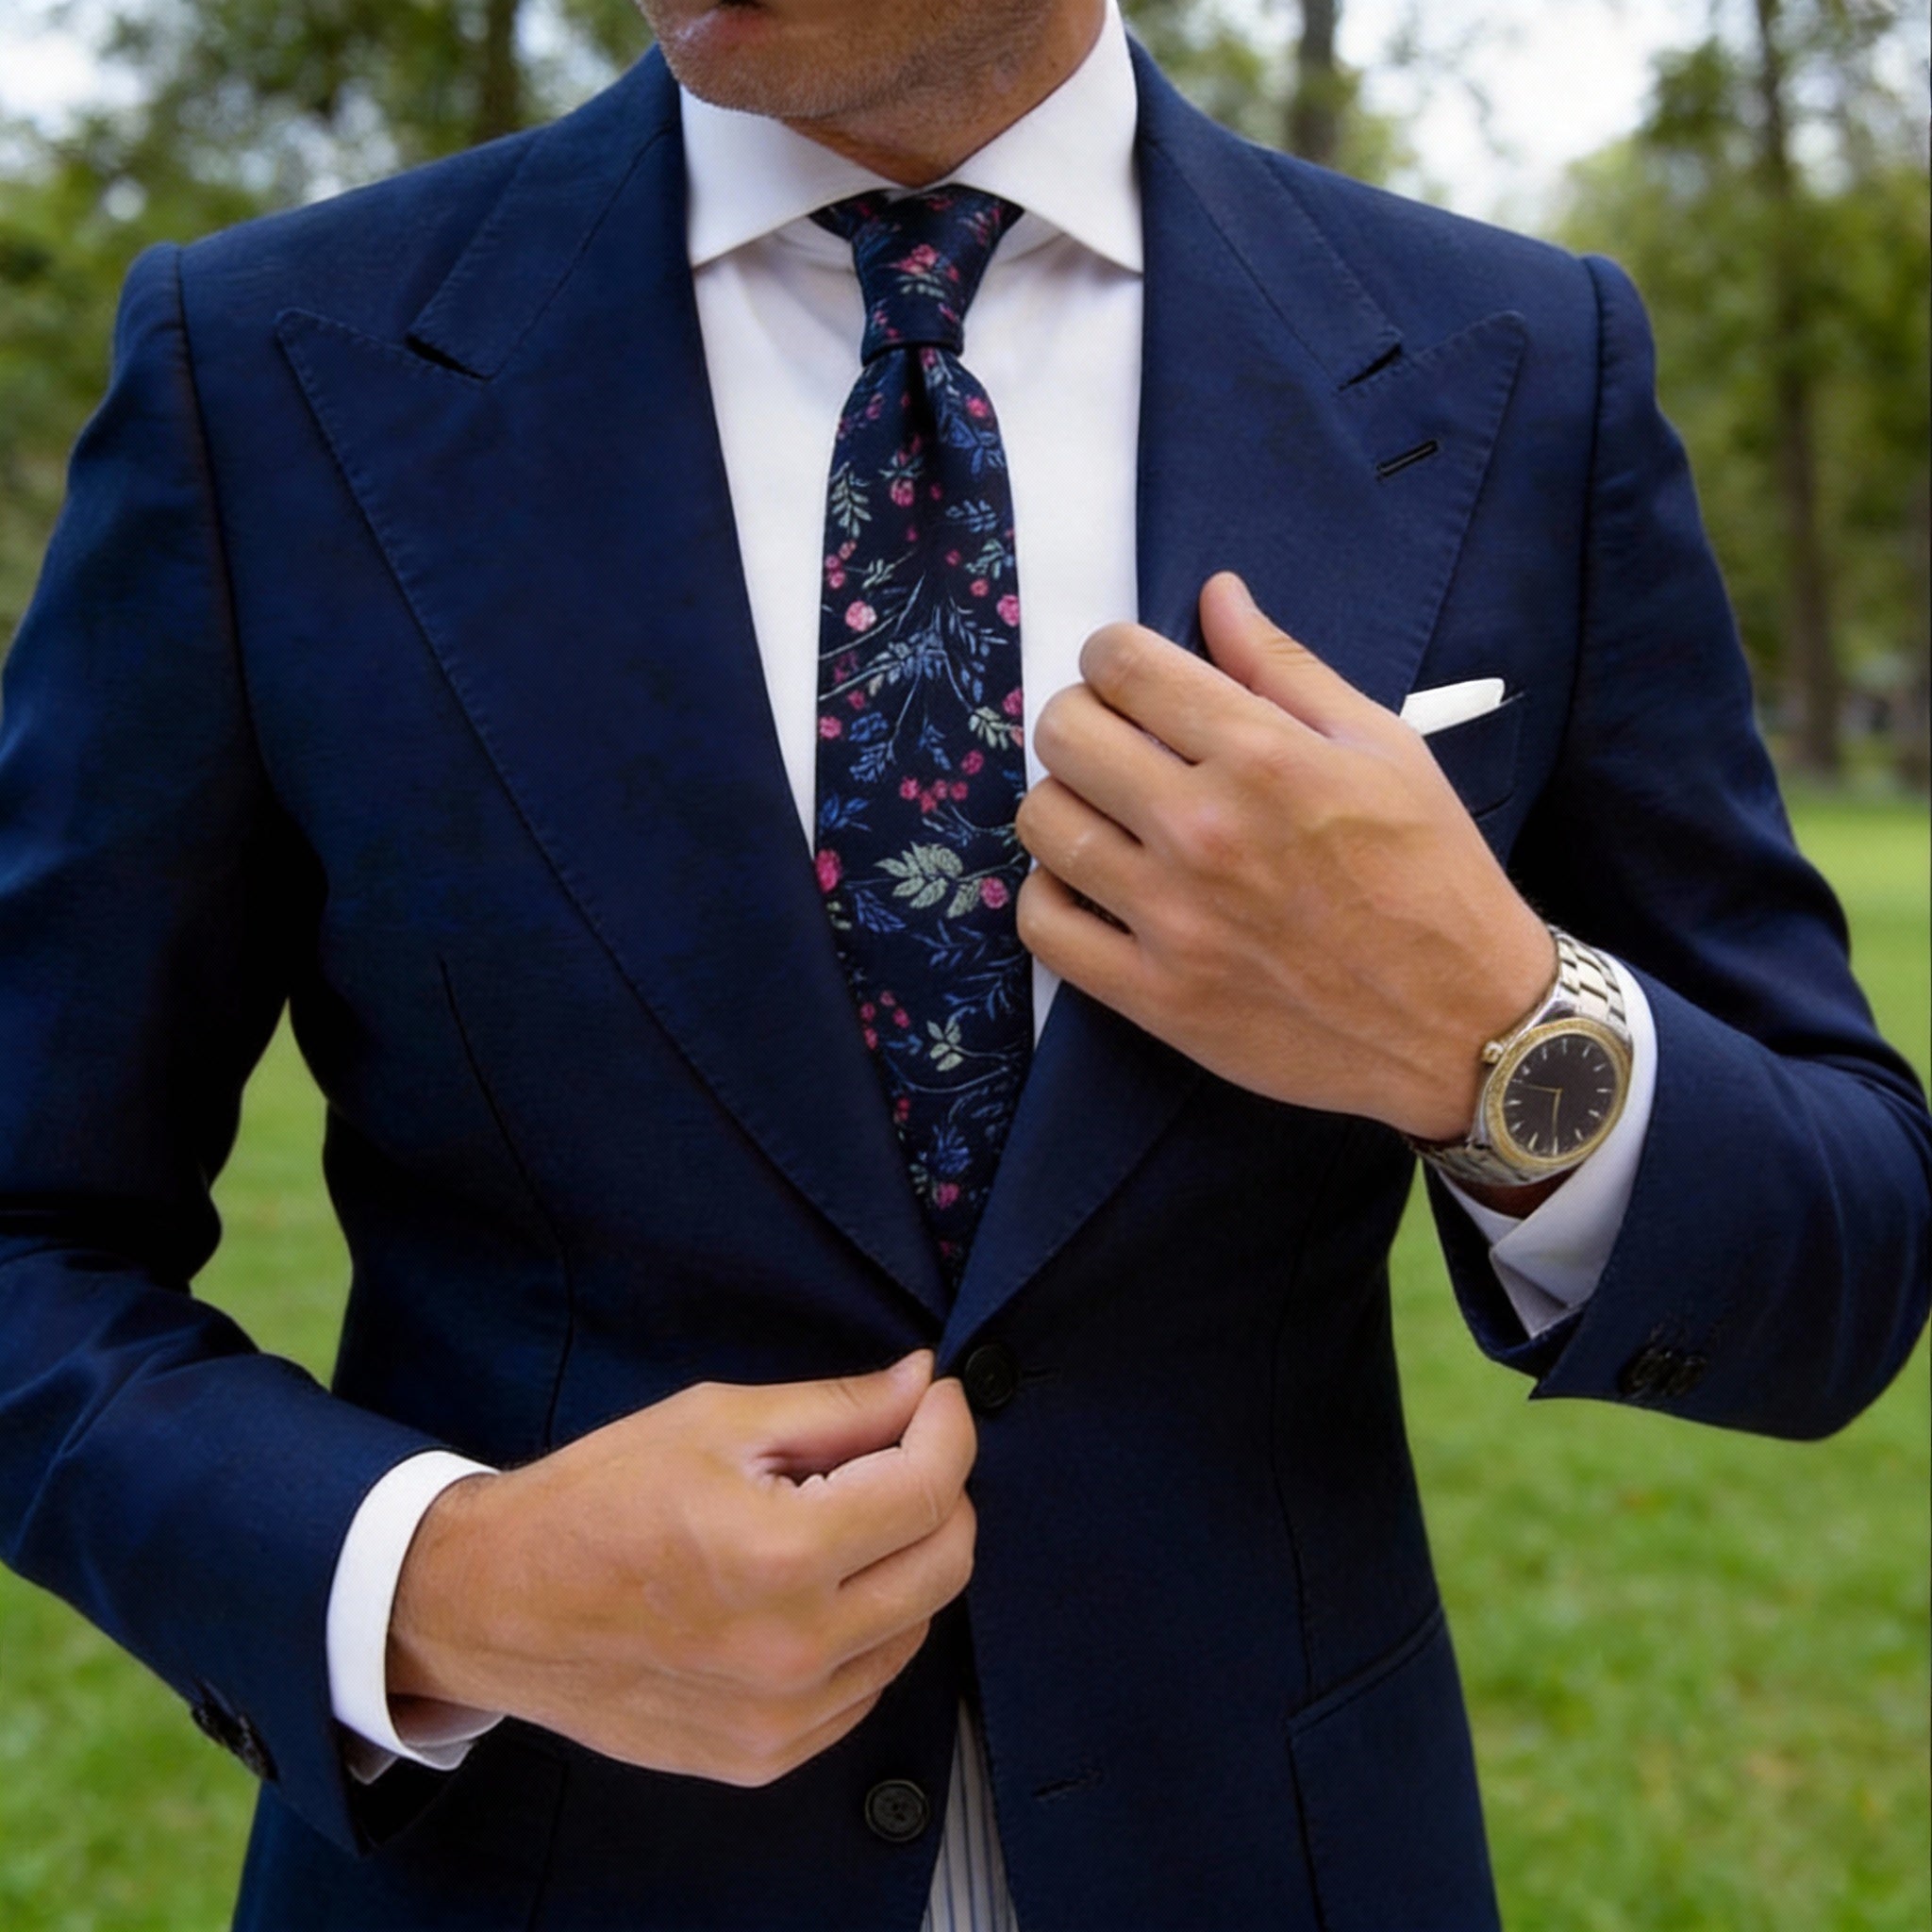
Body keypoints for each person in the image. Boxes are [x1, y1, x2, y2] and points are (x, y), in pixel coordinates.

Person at [0, 0, 1924, 1926]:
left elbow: (1844, 1258)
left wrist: (1491, 1033)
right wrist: (438, 1581)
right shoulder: (264, 371)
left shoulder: (1515, 369)